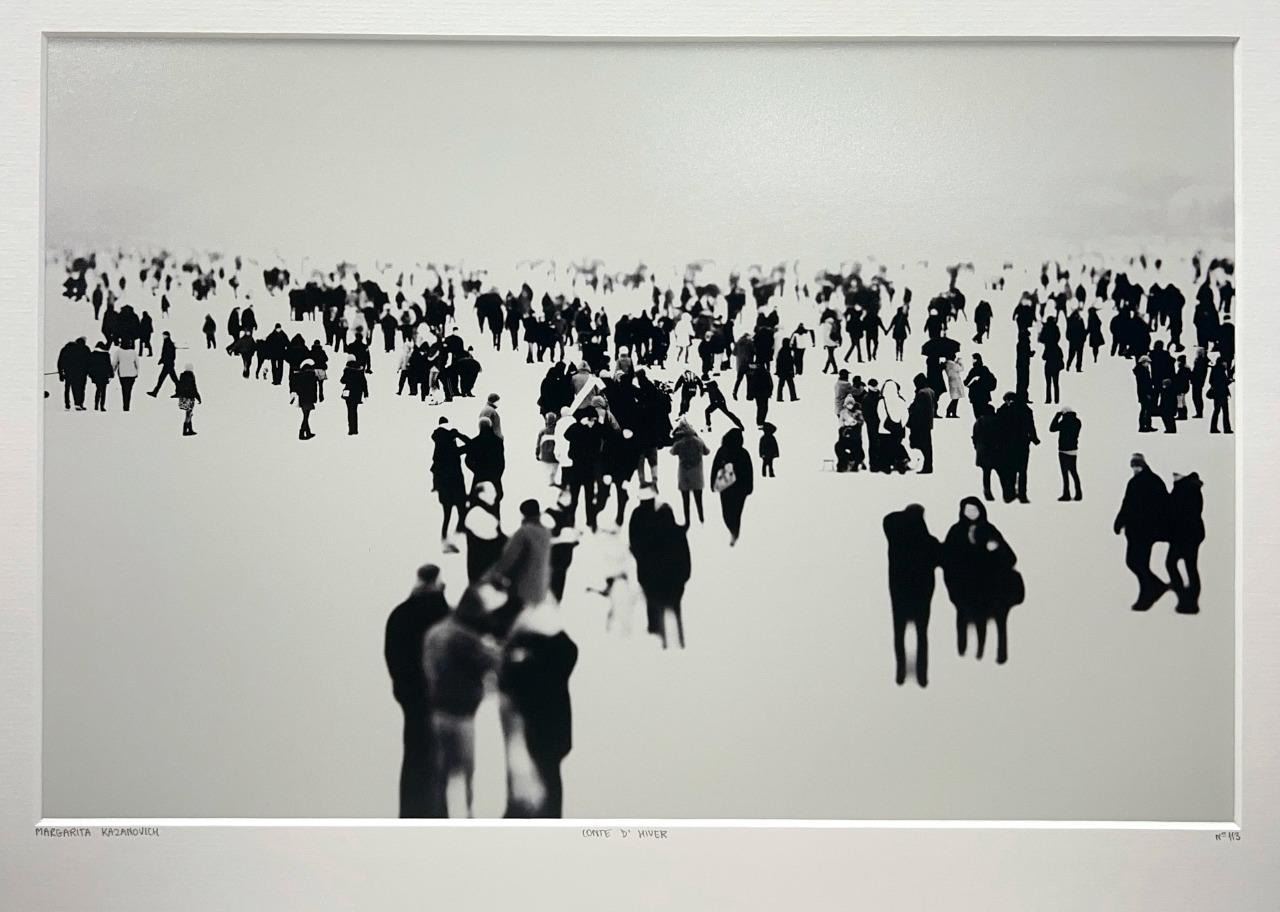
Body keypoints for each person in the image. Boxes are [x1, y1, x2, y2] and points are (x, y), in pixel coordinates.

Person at [422, 582, 505, 818]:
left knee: (439, 774)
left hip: (437, 711)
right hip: (462, 715)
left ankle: (437, 819)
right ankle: (466, 820)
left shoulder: (436, 632)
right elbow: (495, 663)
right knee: (466, 774)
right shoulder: (464, 637)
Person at [498, 601, 579, 817]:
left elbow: (506, 679)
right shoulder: (560, 652)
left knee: (532, 783)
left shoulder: (524, 658)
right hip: (554, 734)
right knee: (551, 781)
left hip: (533, 733)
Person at [384, 564, 451, 817]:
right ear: (439, 583)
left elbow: (393, 657)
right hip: (441, 701)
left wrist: (402, 691)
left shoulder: (399, 614)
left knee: (413, 756)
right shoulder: (446, 615)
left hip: (412, 701)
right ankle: (439, 815)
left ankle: (411, 813)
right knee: (442, 762)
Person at [942, 496, 1022, 664]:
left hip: (989, 589)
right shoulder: (956, 532)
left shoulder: (989, 530)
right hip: (964, 588)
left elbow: (1010, 557)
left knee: (998, 621)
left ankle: (1000, 653)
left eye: (974, 510)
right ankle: (962, 650)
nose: (971, 513)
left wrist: (995, 548)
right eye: (968, 510)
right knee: (964, 619)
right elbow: (947, 559)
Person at [883, 504, 941, 686]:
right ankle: (920, 674)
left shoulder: (897, 540)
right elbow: (943, 558)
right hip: (920, 593)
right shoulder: (927, 542)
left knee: (901, 632)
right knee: (920, 633)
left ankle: (903, 670)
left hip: (901, 592)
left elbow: (888, 520)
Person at [1113, 453, 1171, 611]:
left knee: (1137, 563)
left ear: (1144, 465)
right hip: (1136, 531)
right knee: (1134, 562)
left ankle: (1148, 594)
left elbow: (1164, 505)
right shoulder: (1137, 482)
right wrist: (1119, 522)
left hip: (1145, 531)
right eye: (1133, 465)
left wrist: (1158, 525)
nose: (1135, 468)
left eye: (1137, 464)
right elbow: (1127, 504)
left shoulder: (1152, 481)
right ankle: (1155, 588)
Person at [632, 502, 691, 649]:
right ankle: (680, 641)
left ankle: (661, 641)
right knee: (676, 611)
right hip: (675, 585)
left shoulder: (653, 536)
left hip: (656, 586)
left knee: (658, 614)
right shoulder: (678, 533)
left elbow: (645, 562)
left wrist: (644, 581)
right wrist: (682, 579)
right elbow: (686, 560)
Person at [486, 499, 553, 609]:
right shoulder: (546, 532)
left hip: (522, 590)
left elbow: (509, 558)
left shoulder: (524, 532)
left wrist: (494, 575)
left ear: (523, 514)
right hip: (540, 589)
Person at [1166, 472, 1205, 615]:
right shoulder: (1186, 488)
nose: (1173, 476)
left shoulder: (1185, 489)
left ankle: (1187, 598)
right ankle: (1188, 599)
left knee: (1175, 564)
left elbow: (1177, 511)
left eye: (1176, 474)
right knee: (1188, 566)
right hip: (1189, 534)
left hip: (1186, 535)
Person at [710, 428, 754, 546]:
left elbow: (715, 467)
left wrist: (712, 483)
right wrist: (749, 487)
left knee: (727, 513)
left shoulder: (722, 451)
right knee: (737, 513)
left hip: (725, 487)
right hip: (740, 489)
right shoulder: (743, 453)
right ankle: (735, 532)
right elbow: (749, 471)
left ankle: (733, 532)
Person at [995, 392, 1039, 503]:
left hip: (1007, 445)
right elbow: (1031, 426)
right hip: (1022, 444)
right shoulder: (1025, 409)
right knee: (1022, 470)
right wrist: (1034, 439)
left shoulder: (1002, 411)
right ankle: (1022, 495)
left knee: (1011, 469)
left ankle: (1010, 494)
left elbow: (998, 429)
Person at [462, 482, 507, 583]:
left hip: (484, 573)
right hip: (483, 574)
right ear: (481, 495)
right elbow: (495, 540)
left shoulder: (482, 511)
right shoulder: (476, 513)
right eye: (491, 492)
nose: (495, 494)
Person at [669, 419, 710, 527]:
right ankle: (701, 519)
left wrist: (676, 437)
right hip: (697, 475)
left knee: (685, 500)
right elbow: (707, 452)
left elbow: (672, 451)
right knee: (699, 499)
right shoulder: (699, 441)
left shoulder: (679, 443)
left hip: (684, 475)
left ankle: (687, 522)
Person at [1048, 406, 1082, 501]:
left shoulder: (1064, 422)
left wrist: (1057, 416)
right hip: (1073, 450)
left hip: (1063, 451)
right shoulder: (1078, 422)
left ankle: (1066, 494)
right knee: (1074, 472)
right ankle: (1078, 494)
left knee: (1065, 474)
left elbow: (1052, 428)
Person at [907, 373, 935, 474]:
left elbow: (917, 410)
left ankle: (926, 467)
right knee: (928, 446)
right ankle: (928, 466)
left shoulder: (921, 393)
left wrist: (910, 419)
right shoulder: (930, 391)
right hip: (927, 423)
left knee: (923, 446)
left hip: (920, 424)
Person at [57, 336, 91, 410]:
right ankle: (79, 403)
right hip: (82, 372)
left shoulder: (66, 348)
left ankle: (67, 404)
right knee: (80, 388)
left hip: (68, 371)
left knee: (67, 387)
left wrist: (60, 373)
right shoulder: (85, 349)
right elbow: (89, 361)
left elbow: (60, 361)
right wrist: (89, 372)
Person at [340, 355, 369, 435]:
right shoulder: (360, 370)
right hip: (357, 393)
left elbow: (342, 380)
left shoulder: (347, 370)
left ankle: (351, 430)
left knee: (350, 411)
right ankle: (355, 429)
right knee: (354, 411)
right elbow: (364, 382)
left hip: (348, 393)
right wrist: (366, 393)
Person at [109, 340, 140, 411]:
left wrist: (112, 373)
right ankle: (127, 405)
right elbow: (137, 364)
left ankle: (125, 406)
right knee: (129, 390)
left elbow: (114, 363)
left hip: (122, 374)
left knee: (124, 390)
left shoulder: (118, 352)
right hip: (132, 374)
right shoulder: (133, 352)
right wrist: (137, 373)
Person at [147, 331, 179, 398]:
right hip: (168, 364)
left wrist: (164, 360)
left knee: (167, 379)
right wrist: (162, 360)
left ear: (167, 336)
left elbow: (170, 355)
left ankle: (155, 392)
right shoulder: (167, 342)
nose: (163, 336)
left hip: (168, 365)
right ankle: (155, 392)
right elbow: (165, 353)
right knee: (169, 379)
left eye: (164, 335)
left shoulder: (168, 343)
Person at [174, 363, 201, 437]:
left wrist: (178, 394)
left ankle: (189, 430)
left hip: (183, 397)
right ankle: (186, 430)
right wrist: (198, 397)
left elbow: (179, 385)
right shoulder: (191, 376)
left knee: (188, 413)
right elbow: (194, 387)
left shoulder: (182, 375)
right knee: (189, 414)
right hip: (190, 397)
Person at [1208, 356, 1233, 434]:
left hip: (1216, 394)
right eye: (1225, 362)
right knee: (1225, 412)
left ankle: (1213, 428)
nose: (1226, 364)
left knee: (1216, 411)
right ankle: (1227, 429)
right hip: (1222, 394)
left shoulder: (1214, 369)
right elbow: (1224, 382)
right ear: (1222, 363)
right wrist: (1230, 380)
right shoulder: (1221, 370)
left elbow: (1210, 381)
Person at [88, 341, 113, 411]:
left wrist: (90, 374)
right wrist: (111, 374)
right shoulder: (106, 354)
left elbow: (90, 365)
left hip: (96, 374)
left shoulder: (93, 354)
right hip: (104, 374)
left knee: (98, 389)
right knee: (103, 390)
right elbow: (109, 365)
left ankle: (96, 405)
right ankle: (102, 406)